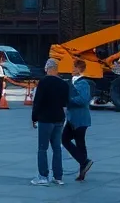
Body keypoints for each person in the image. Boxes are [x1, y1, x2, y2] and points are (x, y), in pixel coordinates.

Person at [31, 57, 69, 186]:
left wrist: (34, 118)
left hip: (45, 119)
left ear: (48, 69)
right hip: (59, 119)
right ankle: (58, 177)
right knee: (57, 148)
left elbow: (38, 102)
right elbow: (65, 103)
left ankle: (43, 176)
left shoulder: (43, 82)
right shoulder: (63, 84)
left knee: (42, 148)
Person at [62, 59, 94, 182]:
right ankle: (84, 163)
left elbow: (83, 99)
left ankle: (84, 165)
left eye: (75, 67)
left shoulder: (83, 83)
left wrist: (69, 100)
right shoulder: (72, 82)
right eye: (73, 67)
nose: (72, 69)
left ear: (80, 69)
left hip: (80, 119)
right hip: (72, 118)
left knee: (78, 142)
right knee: (67, 140)